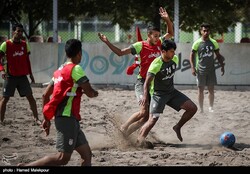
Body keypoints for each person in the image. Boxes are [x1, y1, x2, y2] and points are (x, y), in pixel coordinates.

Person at [18, 39, 98, 166]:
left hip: (69, 119)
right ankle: (26, 167)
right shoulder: (76, 69)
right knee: (62, 158)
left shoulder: (59, 70)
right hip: (67, 119)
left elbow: (45, 95)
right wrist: (95, 93)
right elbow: (89, 92)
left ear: (66, 53)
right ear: (79, 53)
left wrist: (47, 118)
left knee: (86, 154)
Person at [98, 7, 174, 137]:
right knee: (143, 111)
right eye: (155, 36)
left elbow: (170, 33)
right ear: (148, 35)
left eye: (158, 36)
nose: (158, 38)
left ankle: (126, 134)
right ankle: (124, 126)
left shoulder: (160, 42)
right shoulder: (140, 45)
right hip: (142, 82)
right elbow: (120, 53)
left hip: (153, 85)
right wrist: (107, 42)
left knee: (145, 118)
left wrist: (167, 19)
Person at [137, 39, 197, 147]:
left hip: (171, 92)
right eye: (171, 51)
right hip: (158, 94)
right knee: (152, 120)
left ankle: (177, 127)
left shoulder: (174, 59)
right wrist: (146, 96)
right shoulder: (156, 64)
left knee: (192, 108)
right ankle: (139, 141)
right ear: (163, 51)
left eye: (174, 51)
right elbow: (146, 83)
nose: (174, 53)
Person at [0, 23, 40, 125]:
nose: (20, 33)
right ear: (13, 32)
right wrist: (2, 70)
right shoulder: (6, 44)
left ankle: (36, 119)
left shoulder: (24, 44)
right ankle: (1, 120)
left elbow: (27, 61)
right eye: (18, 31)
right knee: (5, 98)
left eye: (22, 31)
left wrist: (30, 74)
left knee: (30, 97)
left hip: (22, 76)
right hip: (10, 76)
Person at [189, 23, 225, 113]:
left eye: (207, 30)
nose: (206, 32)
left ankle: (211, 107)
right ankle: (201, 109)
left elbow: (218, 55)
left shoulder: (213, 42)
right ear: (201, 31)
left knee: (211, 89)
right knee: (200, 90)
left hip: (211, 70)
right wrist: (192, 67)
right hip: (200, 70)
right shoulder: (197, 43)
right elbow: (191, 56)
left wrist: (222, 66)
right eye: (204, 30)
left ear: (210, 31)